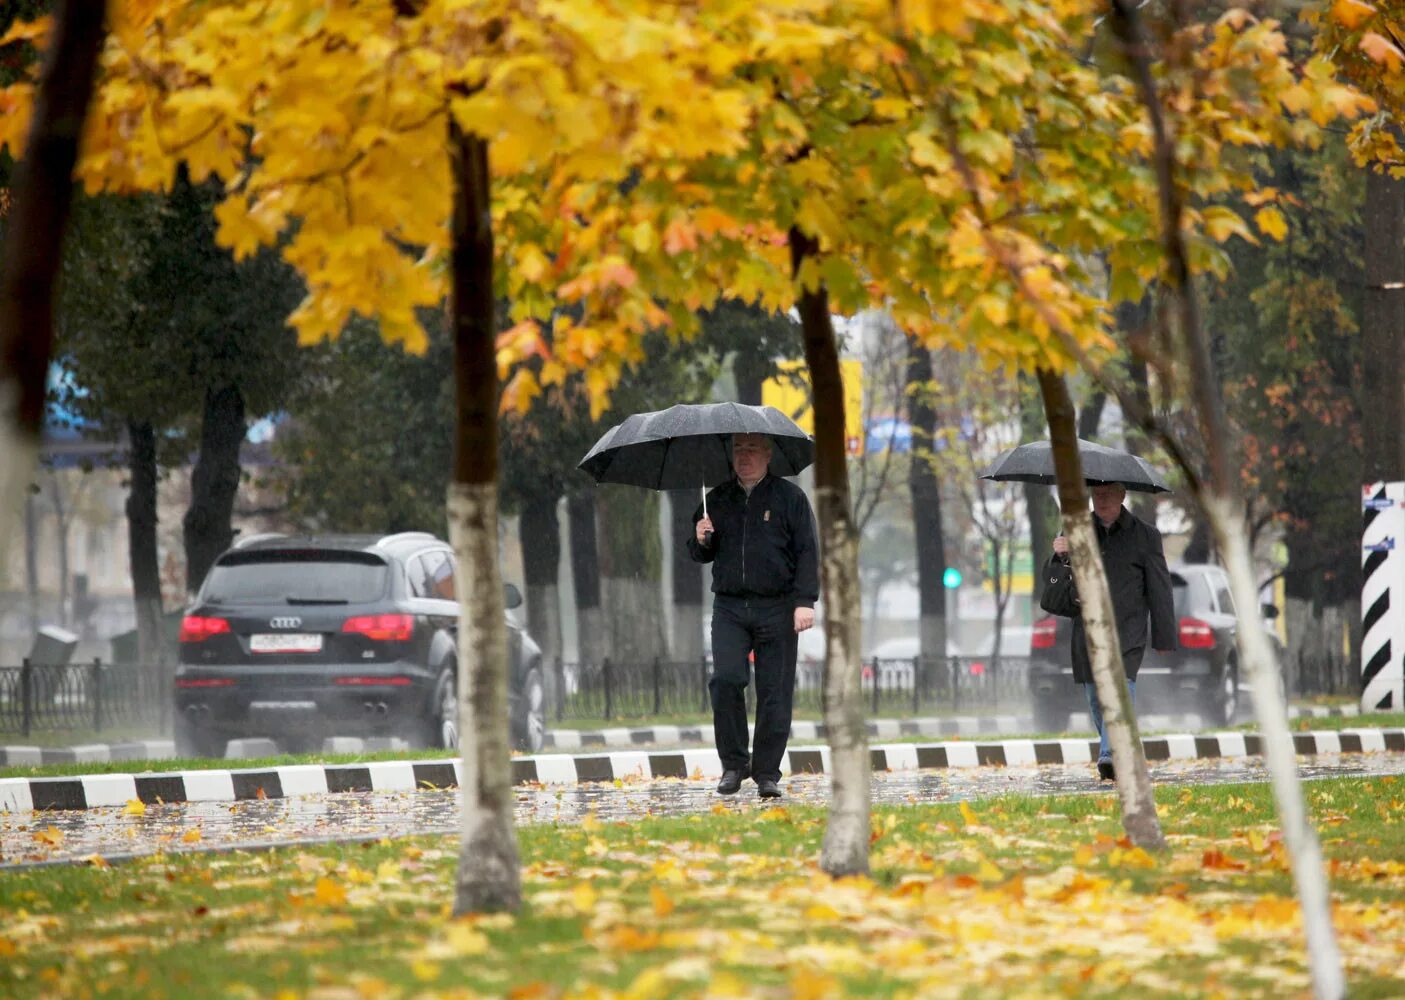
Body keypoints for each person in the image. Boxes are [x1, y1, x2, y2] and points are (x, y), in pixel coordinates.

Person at [688, 432, 819, 798]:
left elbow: (807, 551)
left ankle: (766, 773)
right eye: (738, 450)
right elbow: (700, 554)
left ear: (768, 454)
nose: (743, 457)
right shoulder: (715, 499)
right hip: (729, 606)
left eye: (751, 450)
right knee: (726, 681)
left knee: (774, 691)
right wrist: (701, 538)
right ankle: (734, 764)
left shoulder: (789, 498)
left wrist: (804, 601)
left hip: (777, 607)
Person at [1046, 482, 1176, 781]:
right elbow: (1056, 579)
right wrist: (1061, 553)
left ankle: (1110, 755)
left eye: (1108, 494)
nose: (1102, 499)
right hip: (1088, 630)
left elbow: (1159, 586)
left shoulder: (1145, 535)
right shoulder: (1077, 530)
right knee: (1095, 697)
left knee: (1119, 689)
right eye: (1097, 494)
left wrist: (1163, 634)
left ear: (1122, 496)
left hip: (1127, 629)